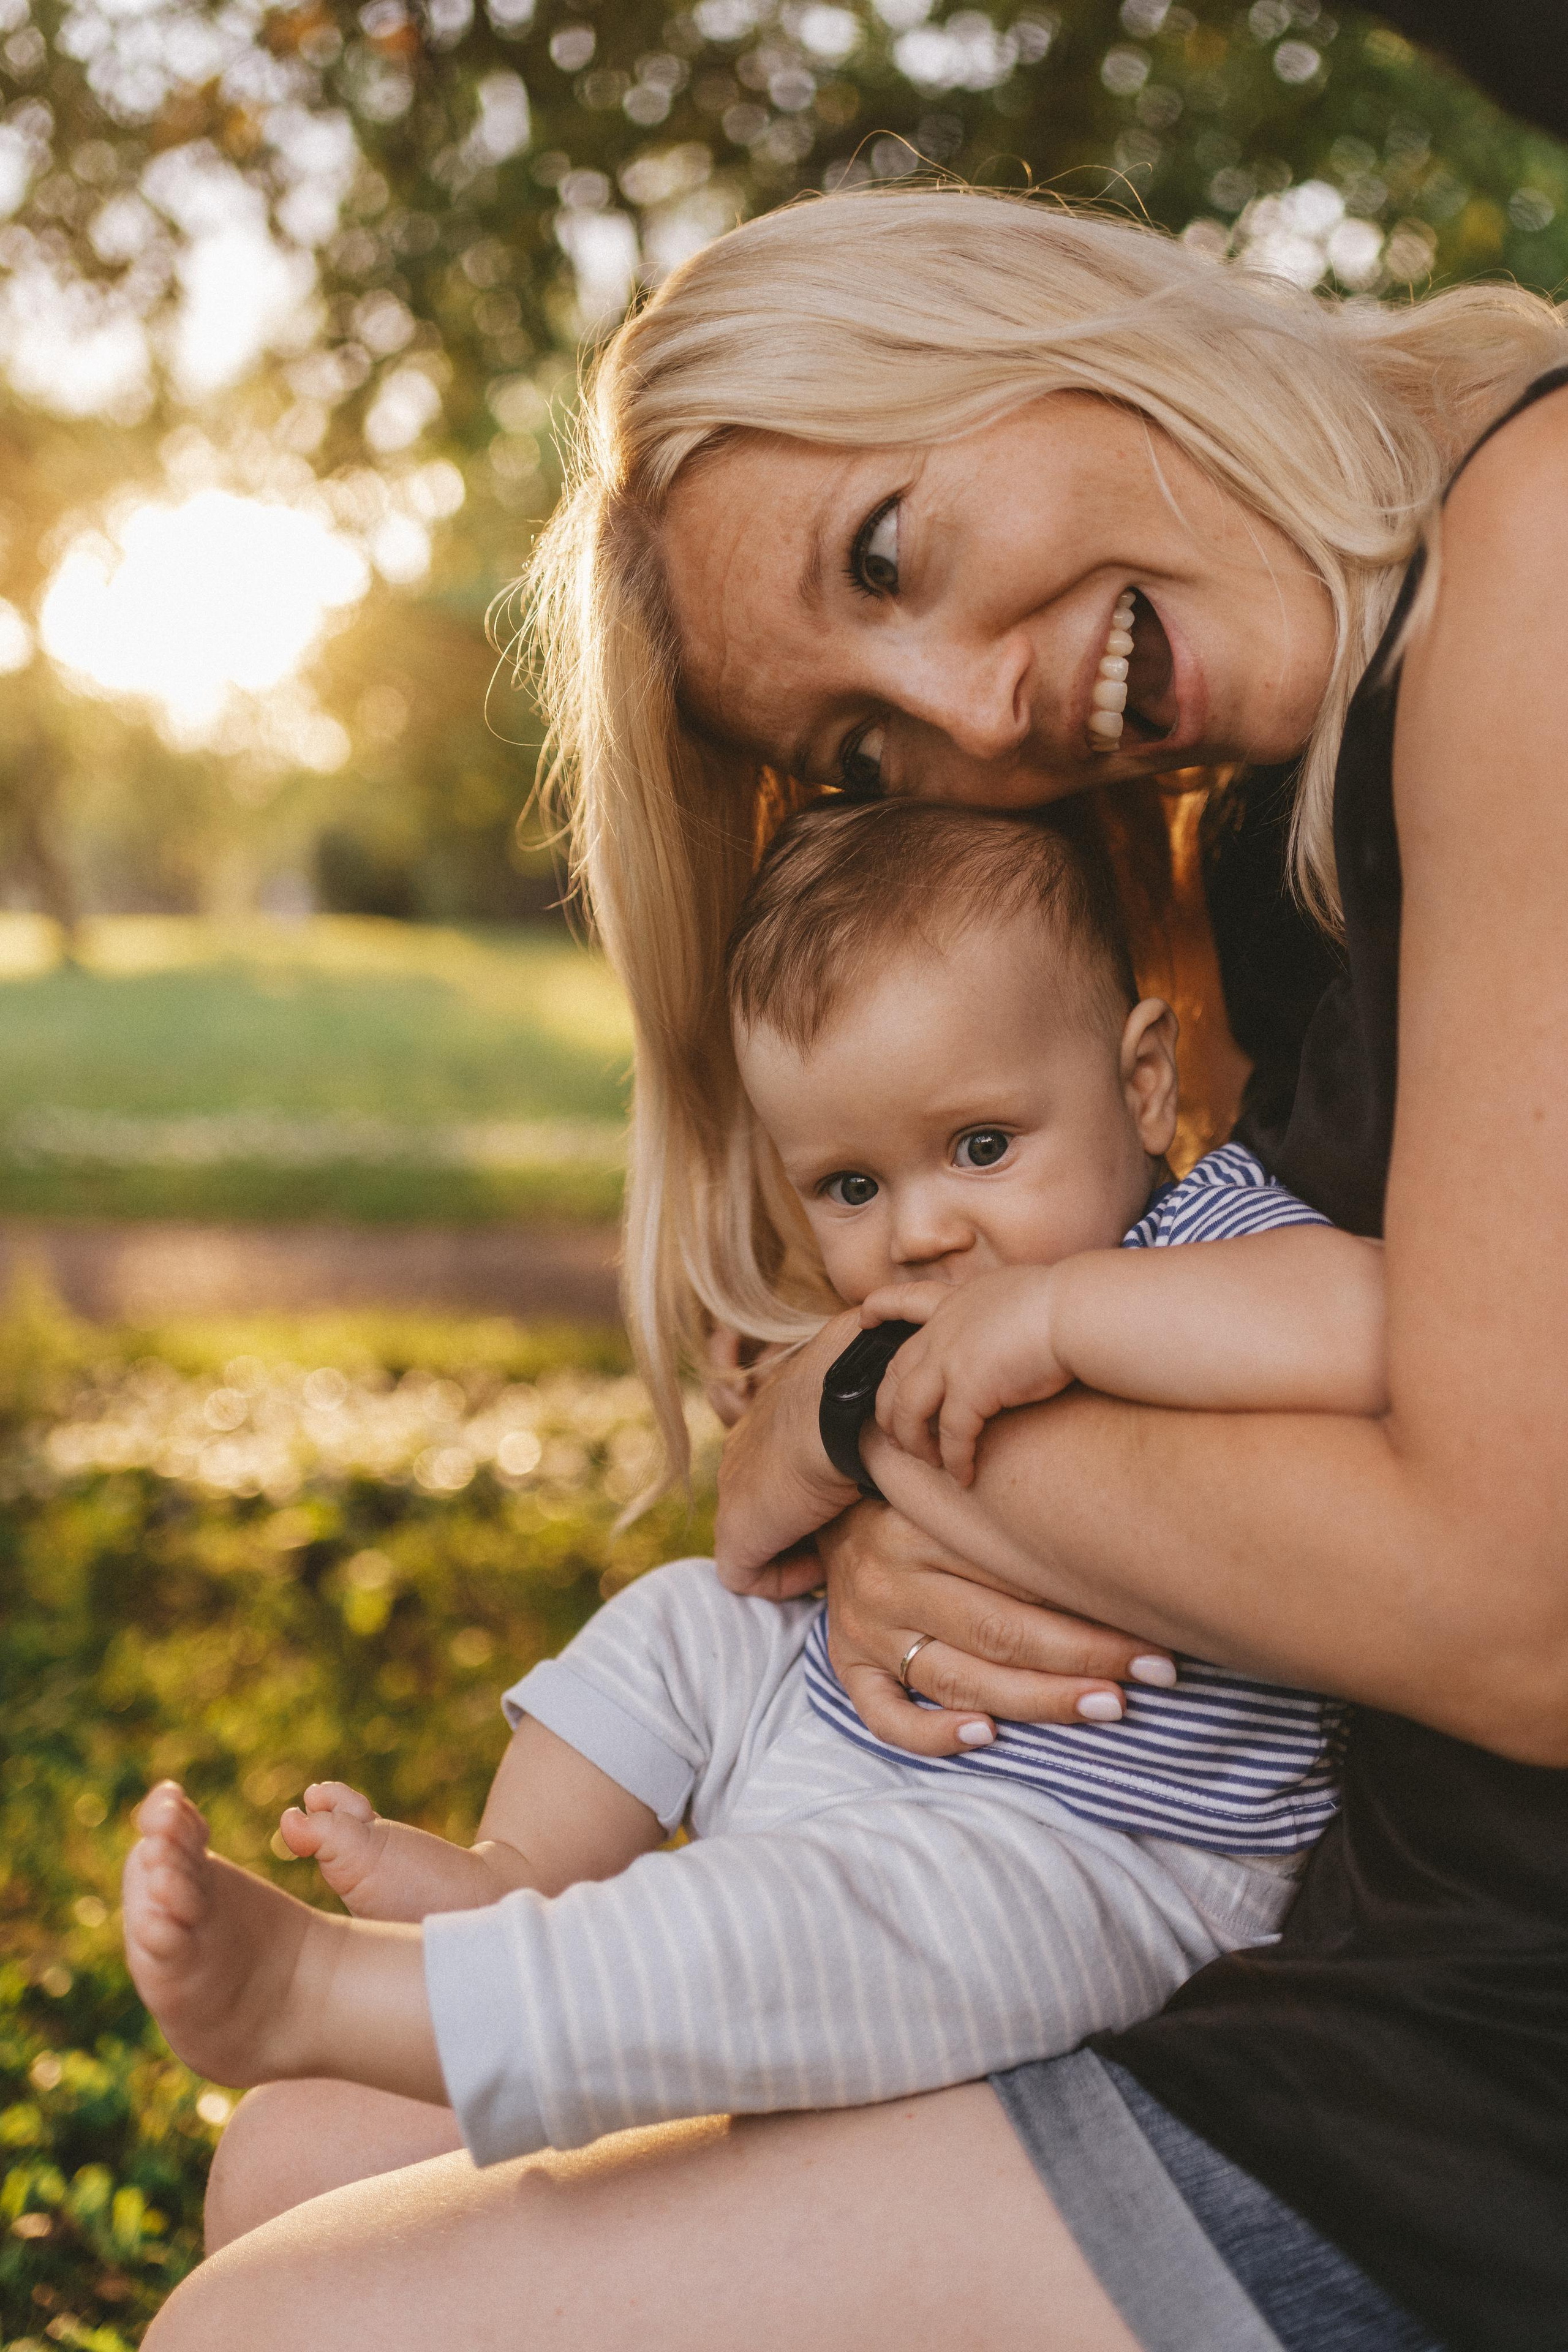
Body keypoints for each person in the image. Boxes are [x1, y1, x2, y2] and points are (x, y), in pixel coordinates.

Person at [135, 189, 1568, 2352]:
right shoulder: (1279, 818)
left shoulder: (1537, 538)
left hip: (1490, 2090)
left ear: (1025, 315)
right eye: (869, 759)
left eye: (889, 549)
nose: (981, 719)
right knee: (294, 2162)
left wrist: (874, 1435)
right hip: (1361, 1951)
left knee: (273, 2333)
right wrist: (879, 1421)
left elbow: (1515, 1594)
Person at [123, 801, 1385, 2168]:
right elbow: (755, 1529)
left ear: (1142, 1083)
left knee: (814, 1910)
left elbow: (1365, 1325)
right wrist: (809, 1406)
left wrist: (1064, 1318)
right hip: (864, 1749)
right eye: (850, 1184)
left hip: (1104, 1856)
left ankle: (338, 1994)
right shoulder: (892, 1318)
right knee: (689, 1618)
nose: (918, 1229)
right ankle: (517, 1878)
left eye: (979, 1147)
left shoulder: (1206, 1235)